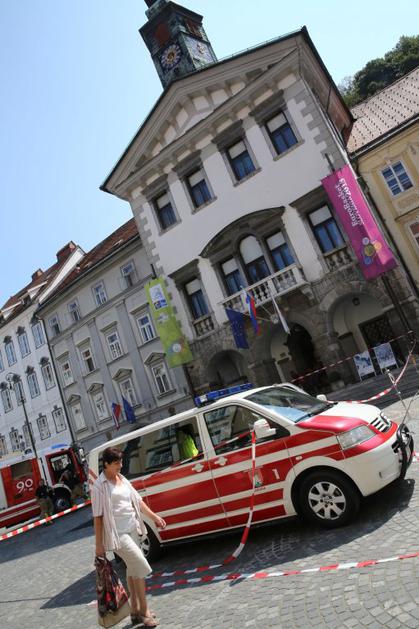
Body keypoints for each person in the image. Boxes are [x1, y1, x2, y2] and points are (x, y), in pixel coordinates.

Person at [91, 447, 166, 628]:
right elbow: (98, 517)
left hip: (133, 529)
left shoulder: (122, 479)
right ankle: (144, 612)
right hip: (117, 535)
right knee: (140, 565)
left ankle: (135, 611)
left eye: (121, 462)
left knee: (133, 570)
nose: (120, 465)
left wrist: (154, 517)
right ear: (106, 464)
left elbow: (138, 501)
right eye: (116, 463)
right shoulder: (99, 486)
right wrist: (99, 545)